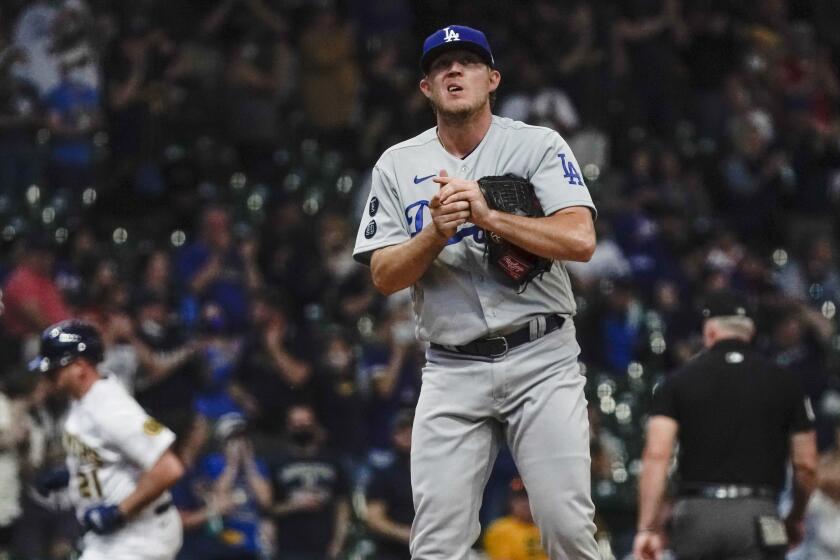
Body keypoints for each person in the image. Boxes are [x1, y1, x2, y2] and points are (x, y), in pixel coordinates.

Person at [352, 24, 600, 559]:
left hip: (542, 357)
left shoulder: (535, 144)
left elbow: (580, 240)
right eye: (441, 65)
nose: (454, 71)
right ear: (426, 88)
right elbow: (384, 276)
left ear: (492, 79)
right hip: (451, 366)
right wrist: (435, 232)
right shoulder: (398, 165)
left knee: (567, 529)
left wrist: (491, 216)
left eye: (466, 62)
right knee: (436, 546)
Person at [633, 290, 819, 560]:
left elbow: (657, 456)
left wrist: (648, 527)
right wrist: (795, 518)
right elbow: (806, 466)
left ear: (709, 332)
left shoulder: (677, 381)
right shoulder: (785, 382)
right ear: (750, 333)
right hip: (760, 516)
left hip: (696, 517)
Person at [29, 319, 185, 559]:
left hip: (140, 535)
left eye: (54, 370)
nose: (47, 377)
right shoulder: (84, 399)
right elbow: (107, 456)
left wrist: (120, 512)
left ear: (79, 366)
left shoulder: (111, 408)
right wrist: (71, 473)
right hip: (117, 536)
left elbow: (168, 468)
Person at [364, 410, 414, 560]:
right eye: (401, 432)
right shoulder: (384, 475)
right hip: (392, 553)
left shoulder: (434, 473)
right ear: (394, 436)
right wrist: (408, 534)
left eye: (411, 431)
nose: (407, 437)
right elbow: (374, 519)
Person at [483, 477, 547, 560]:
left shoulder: (548, 528)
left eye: (529, 499)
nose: (525, 504)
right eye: (520, 499)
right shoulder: (500, 529)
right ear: (511, 502)